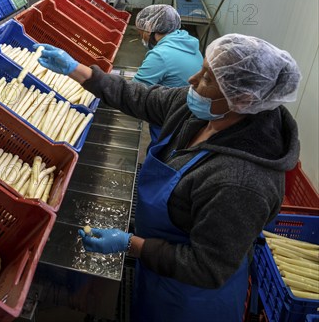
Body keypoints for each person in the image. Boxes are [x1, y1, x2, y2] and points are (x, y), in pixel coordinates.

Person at [36, 34, 301, 322]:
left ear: (243, 98)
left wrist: (128, 244)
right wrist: (78, 69)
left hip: (191, 301)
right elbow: (141, 97)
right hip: (158, 269)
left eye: (207, 78)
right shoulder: (202, 112)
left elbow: (206, 267)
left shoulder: (242, 182)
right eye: (202, 68)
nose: (192, 79)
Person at [133, 4, 204, 144]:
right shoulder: (186, 41)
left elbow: (134, 91)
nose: (141, 36)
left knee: (160, 149)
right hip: (191, 113)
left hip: (171, 117)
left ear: (150, 29)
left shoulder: (160, 55)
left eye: (140, 31)